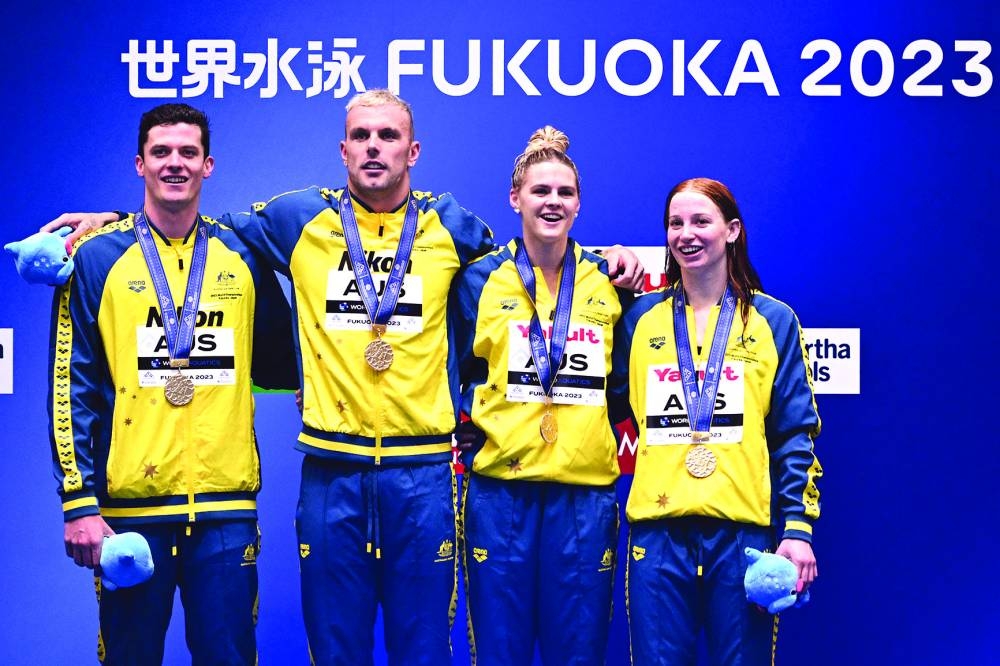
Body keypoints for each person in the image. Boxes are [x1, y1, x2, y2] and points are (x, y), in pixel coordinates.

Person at [45, 90, 644, 665]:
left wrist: (604, 261)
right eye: (361, 135)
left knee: (425, 651)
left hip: (424, 475)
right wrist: (116, 221)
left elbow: (531, 263)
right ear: (343, 150)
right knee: (335, 650)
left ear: (413, 152)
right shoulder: (300, 217)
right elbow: (189, 226)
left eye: (389, 135)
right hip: (332, 473)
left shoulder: (452, 226)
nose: (374, 147)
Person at [50, 103, 296, 664]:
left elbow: (285, 365)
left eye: (188, 152)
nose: (175, 163)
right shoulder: (94, 258)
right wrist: (78, 500)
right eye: (161, 152)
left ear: (208, 165)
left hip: (226, 513)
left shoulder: (244, 256)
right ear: (140, 163)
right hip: (130, 518)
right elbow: (71, 386)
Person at [613, 177, 823, 665]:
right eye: (675, 223)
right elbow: (600, 408)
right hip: (658, 535)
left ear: (731, 231)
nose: (686, 234)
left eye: (701, 221)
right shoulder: (640, 319)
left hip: (743, 535)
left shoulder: (773, 321)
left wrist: (796, 528)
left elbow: (795, 434)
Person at [450, 126, 632, 665]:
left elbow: (623, 389)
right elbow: (449, 373)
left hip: (584, 499)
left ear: (578, 203)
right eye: (540, 191)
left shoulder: (607, 280)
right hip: (500, 496)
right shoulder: (477, 280)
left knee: (578, 653)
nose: (553, 202)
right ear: (515, 199)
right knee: (500, 652)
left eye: (564, 193)